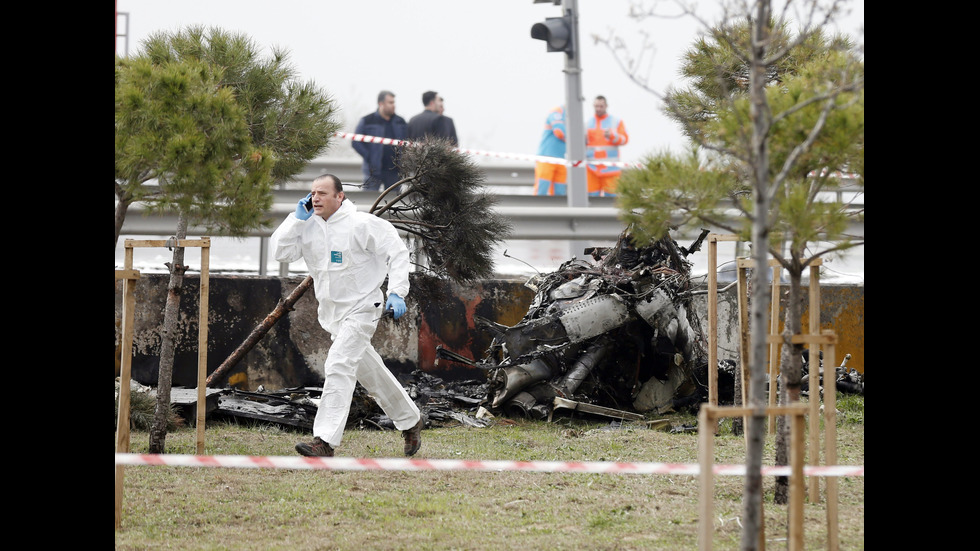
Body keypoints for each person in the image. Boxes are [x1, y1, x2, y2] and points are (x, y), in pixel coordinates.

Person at [271, 173, 423, 457]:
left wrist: (397, 292)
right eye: (313, 193)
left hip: (364, 308)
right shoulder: (307, 226)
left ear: (340, 196)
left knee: (338, 364)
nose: (315, 198)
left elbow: (397, 253)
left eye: (323, 193)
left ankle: (324, 441)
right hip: (333, 316)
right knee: (371, 373)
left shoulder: (362, 224)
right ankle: (411, 420)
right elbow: (281, 252)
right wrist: (295, 219)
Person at [352, 90, 408, 191]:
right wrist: (369, 156)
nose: (393, 105)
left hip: (394, 171)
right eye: (390, 102)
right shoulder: (367, 120)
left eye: (394, 102)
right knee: (369, 202)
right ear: (381, 103)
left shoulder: (400, 121)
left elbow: (407, 141)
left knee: (393, 203)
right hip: (373, 171)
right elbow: (356, 142)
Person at [585, 95, 629, 197]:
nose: (598, 109)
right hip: (592, 169)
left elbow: (625, 139)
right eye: (596, 106)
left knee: (612, 202)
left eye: (601, 106)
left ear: (606, 106)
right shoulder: (587, 123)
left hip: (611, 170)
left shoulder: (616, 122)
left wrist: (612, 136)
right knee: (591, 200)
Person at [533, 105, 567, 196]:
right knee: (541, 191)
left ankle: (559, 210)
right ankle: (537, 209)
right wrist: (574, 138)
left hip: (561, 160)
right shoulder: (556, 112)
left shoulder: (572, 117)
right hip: (546, 159)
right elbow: (559, 132)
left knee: (559, 193)